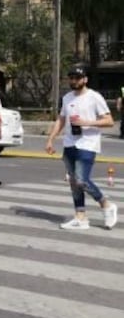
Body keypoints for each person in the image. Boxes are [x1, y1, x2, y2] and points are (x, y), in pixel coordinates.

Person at [45, 65, 118, 231]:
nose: (73, 81)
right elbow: (61, 120)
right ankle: (80, 217)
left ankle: (106, 205)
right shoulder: (67, 98)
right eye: (71, 77)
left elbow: (109, 121)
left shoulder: (94, 97)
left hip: (88, 144)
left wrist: (87, 123)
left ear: (85, 79)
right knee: (74, 182)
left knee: (81, 180)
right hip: (70, 143)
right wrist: (50, 139)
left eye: (77, 78)